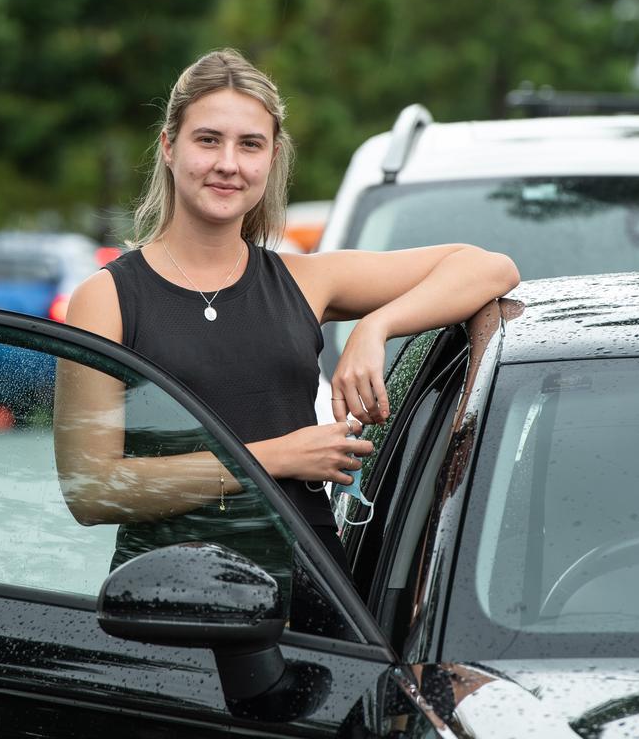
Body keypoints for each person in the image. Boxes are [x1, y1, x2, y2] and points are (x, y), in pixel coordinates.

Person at [54, 48, 519, 572]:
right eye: (208, 140)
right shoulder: (107, 297)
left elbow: (488, 267)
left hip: (308, 592)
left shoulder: (305, 280)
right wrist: (276, 458)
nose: (228, 163)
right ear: (168, 147)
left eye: (250, 145)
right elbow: (90, 488)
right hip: (163, 597)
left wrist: (377, 325)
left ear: (272, 157)